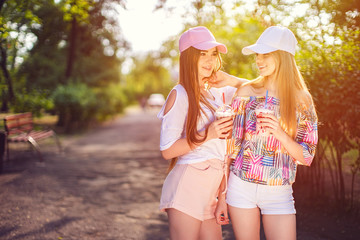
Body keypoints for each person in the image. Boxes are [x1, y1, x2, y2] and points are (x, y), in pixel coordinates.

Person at [216, 26, 318, 240]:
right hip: (240, 187)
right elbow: (230, 151)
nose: (259, 61)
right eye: (257, 55)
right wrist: (222, 196)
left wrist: (280, 133)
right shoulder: (245, 93)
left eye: (266, 55)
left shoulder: (301, 99)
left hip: (278, 192)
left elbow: (307, 156)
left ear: (283, 57)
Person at [157, 26, 247, 240]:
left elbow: (261, 91)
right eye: (202, 54)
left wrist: (222, 198)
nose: (210, 60)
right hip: (187, 187)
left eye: (213, 54)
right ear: (189, 58)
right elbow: (167, 150)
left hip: (211, 192)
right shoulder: (180, 94)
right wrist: (208, 134)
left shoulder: (218, 94)